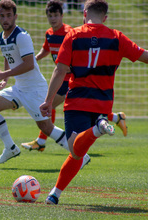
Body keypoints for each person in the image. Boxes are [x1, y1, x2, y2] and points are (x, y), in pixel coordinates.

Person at [39, 0, 148, 205]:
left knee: (75, 150)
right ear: (105, 17)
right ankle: (55, 194)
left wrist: (48, 100)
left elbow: (60, 70)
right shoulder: (117, 37)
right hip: (103, 105)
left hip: (78, 101)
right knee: (78, 153)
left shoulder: (73, 35)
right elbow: (144, 56)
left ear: (84, 13)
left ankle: (98, 129)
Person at [0, 0, 89, 167]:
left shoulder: (21, 36)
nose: (5, 19)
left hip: (34, 89)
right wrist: (5, 80)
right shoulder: (1, 38)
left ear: (15, 16)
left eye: (9, 16)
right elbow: (7, 56)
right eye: (2, 16)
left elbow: (29, 64)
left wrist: (5, 74)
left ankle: (80, 155)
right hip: (19, 88)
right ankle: (10, 148)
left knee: (46, 127)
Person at [21, 0, 127, 156]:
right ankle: (116, 117)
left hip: (71, 80)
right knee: (67, 107)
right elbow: (46, 49)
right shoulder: (49, 33)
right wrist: (34, 59)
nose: (53, 19)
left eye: (56, 15)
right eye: (50, 16)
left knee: (49, 106)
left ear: (62, 15)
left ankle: (42, 141)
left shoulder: (70, 33)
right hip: (63, 79)